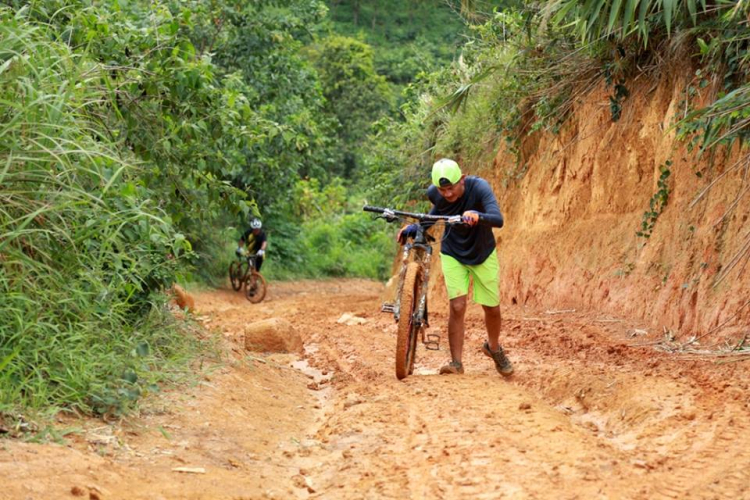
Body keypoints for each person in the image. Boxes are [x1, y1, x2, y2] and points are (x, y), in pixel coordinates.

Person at [397, 158, 513, 376]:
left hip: (482, 253)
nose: (447, 194)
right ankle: (456, 363)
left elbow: (498, 219)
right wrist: (413, 228)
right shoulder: (437, 194)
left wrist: (478, 216)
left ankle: (494, 348)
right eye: (442, 190)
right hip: (453, 253)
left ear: (462, 179)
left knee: (491, 308)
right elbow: (433, 215)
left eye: (450, 188)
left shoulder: (479, 188)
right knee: (457, 306)